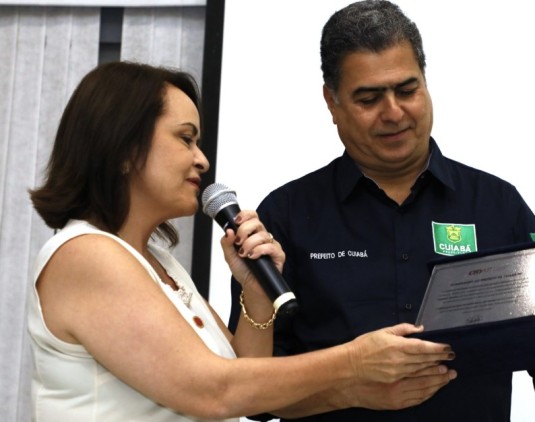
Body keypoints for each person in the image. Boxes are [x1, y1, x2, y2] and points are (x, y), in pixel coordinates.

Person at [228, 1, 535, 421]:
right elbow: (255, 392)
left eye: (407, 90)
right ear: (332, 101)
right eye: (369, 98)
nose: (393, 113)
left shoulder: (497, 204)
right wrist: (348, 387)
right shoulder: (286, 215)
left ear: (426, 84)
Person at [26, 61, 457, 421]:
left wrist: (255, 293)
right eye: (185, 139)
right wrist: (354, 362)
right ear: (123, 148)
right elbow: (214, 391)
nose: (202, 159)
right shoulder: (87, 254)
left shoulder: (156, 260)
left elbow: (246, 386)